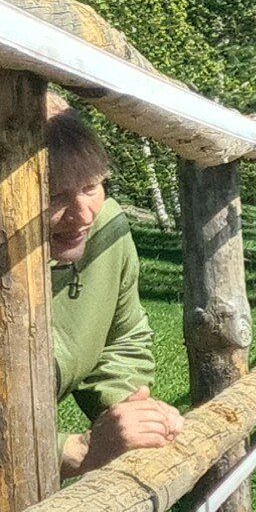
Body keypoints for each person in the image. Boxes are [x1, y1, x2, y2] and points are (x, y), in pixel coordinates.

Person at [43, 94, 185, 475]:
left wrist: (128, 405)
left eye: (91, 186)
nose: (82, 213)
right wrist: (73, 450)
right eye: (55, 195)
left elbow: (123, 337)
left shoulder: (105, 228)